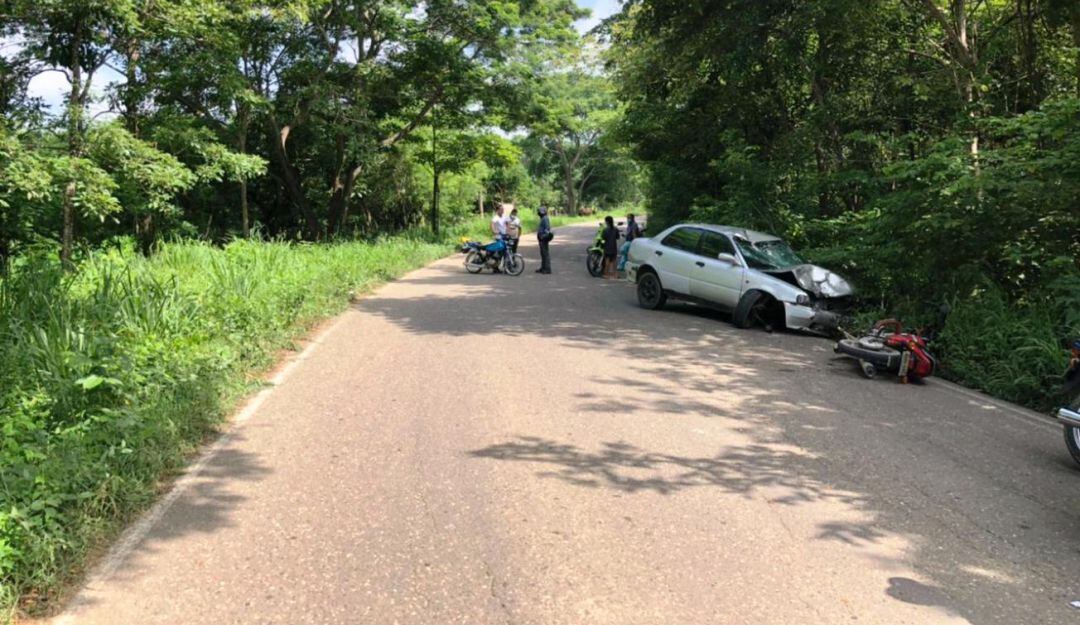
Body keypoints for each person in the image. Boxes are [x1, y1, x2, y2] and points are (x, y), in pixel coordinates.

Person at [601, 215, 620, 279]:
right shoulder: (615, 229)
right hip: (614, 247)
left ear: (607, 222)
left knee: (607, 261)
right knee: (614, 261)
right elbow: (617, 237)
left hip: (607, 247)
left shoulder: (605, 230)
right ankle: (616, 274)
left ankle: (606, 274)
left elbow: (603, 238)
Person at [536, 206, 552, 274]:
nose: (538, 213)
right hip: (541, 238)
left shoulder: (545, 218)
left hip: (543, 238)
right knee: (543, 254)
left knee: (545, 254)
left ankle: (547, 269)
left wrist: (543, 236)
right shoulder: (543, 218)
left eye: (539, 212)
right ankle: (543, 267)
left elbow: (547, 229)